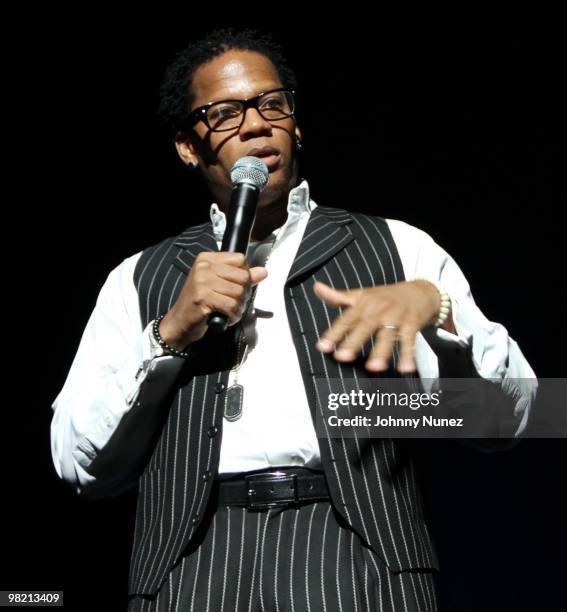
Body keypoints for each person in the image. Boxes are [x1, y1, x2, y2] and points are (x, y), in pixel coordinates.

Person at [50, 28, 536, 612]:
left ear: (296, 120)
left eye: (271, 104)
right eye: (225, 113)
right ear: (186, 145)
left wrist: (443, 313)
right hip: (191, 565)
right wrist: (167, 337)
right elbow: (77, 466)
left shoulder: (396, 248)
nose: (256, 125)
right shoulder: (140, 277)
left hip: (360, 559)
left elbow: (513, 419)